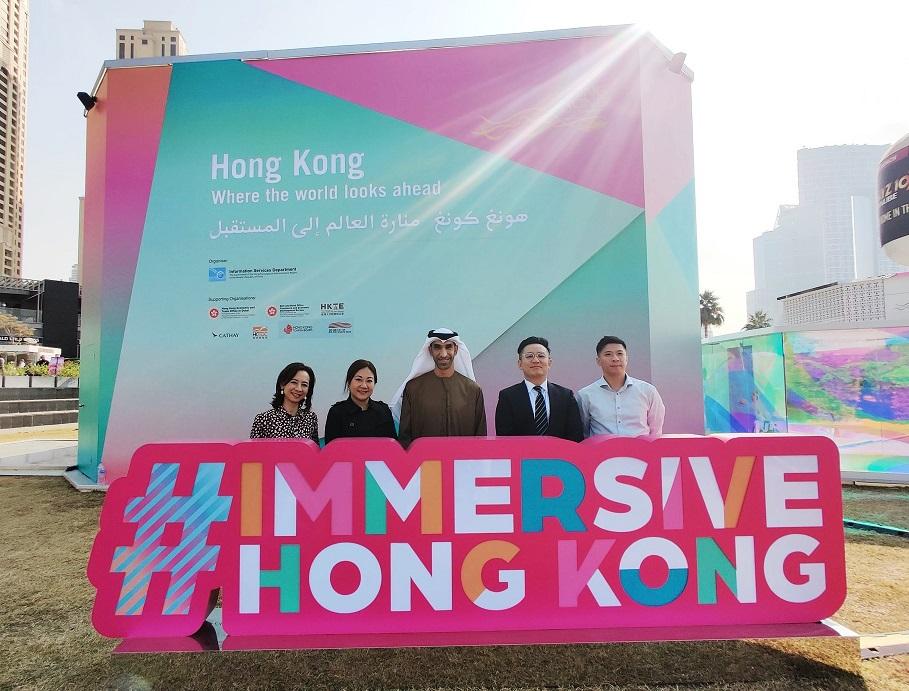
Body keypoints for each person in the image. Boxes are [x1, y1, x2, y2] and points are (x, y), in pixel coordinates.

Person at [391, 328, 486, 447]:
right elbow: (405, 438)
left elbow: (480, 438)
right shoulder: (413, 389)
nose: (443, 354)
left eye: (448, 347)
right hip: (424, 463)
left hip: (461, 463)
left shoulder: (473, 390)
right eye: (437, 347)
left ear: (456, 349)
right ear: (430, 350)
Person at [495, 336, 583, 442]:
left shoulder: (565, 396)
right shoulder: (508, 396)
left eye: (541, 356)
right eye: (529, 356)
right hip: (522, 457)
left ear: (549, 362)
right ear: (520, 364)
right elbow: (504, 438)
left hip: (560, 457)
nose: (536, 360)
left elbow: (575, 436)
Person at [576, 336, 665, 437]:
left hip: (641, 451)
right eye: (608, 354)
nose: (615, 359)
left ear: (626, 358)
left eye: (620, 354)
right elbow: (583, 432)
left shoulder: (648, 391)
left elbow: (656, 430)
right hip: (602, 452)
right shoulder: (585, 395)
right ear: (598, 361)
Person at [324, 359, 397, 443]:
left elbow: (392, 447)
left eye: (369, 381)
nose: (364, 385)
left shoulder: (384, 410)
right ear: (349, 382)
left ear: (374, 384)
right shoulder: (336, 413)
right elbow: (331, 450)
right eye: (358, 379)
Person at [250, 362, 319, 441]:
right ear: (282, 384)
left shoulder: (311, 418)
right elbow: (254, 451)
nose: (299, 389)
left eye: (304, 385)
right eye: (294, 382)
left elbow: (314, 451)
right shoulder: (263, 419)